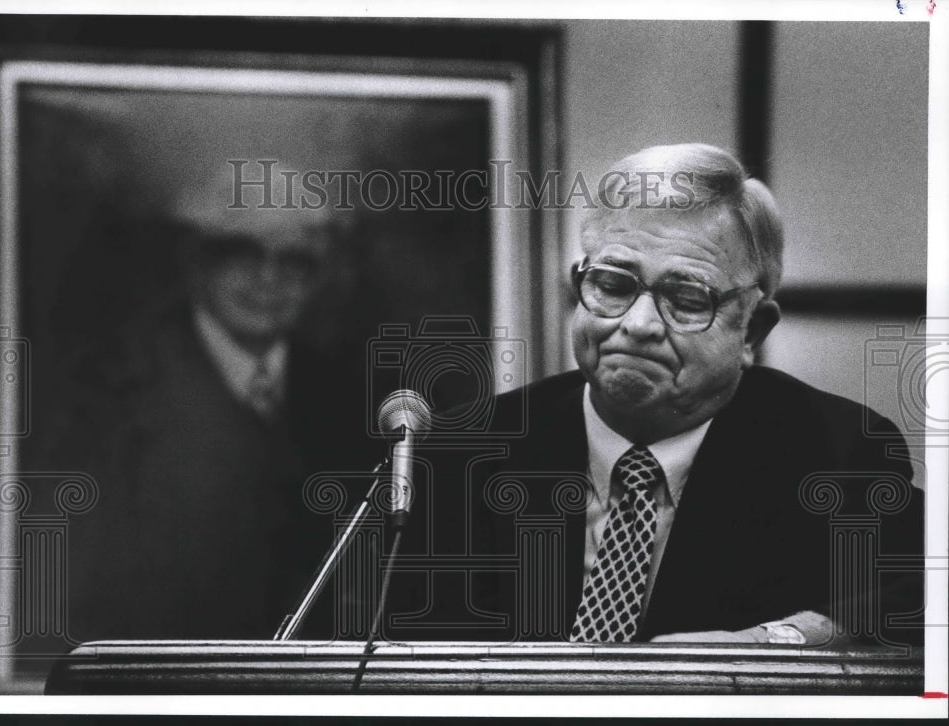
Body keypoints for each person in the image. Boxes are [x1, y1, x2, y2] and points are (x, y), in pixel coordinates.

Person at [396, 143, 923, 647]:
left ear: (752, 331)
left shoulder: (836, 449)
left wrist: (778, 641)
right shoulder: (460, 453)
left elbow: (924, 595)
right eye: (614, 285)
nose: (638, 324)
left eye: (687, 298)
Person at [38, 165, 374, 642]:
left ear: (320, 277)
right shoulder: (107, 394)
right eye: (241, 253)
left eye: (295, 261)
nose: (268, 279)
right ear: (196, 262)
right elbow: (67, 597)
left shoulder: (348, 396)